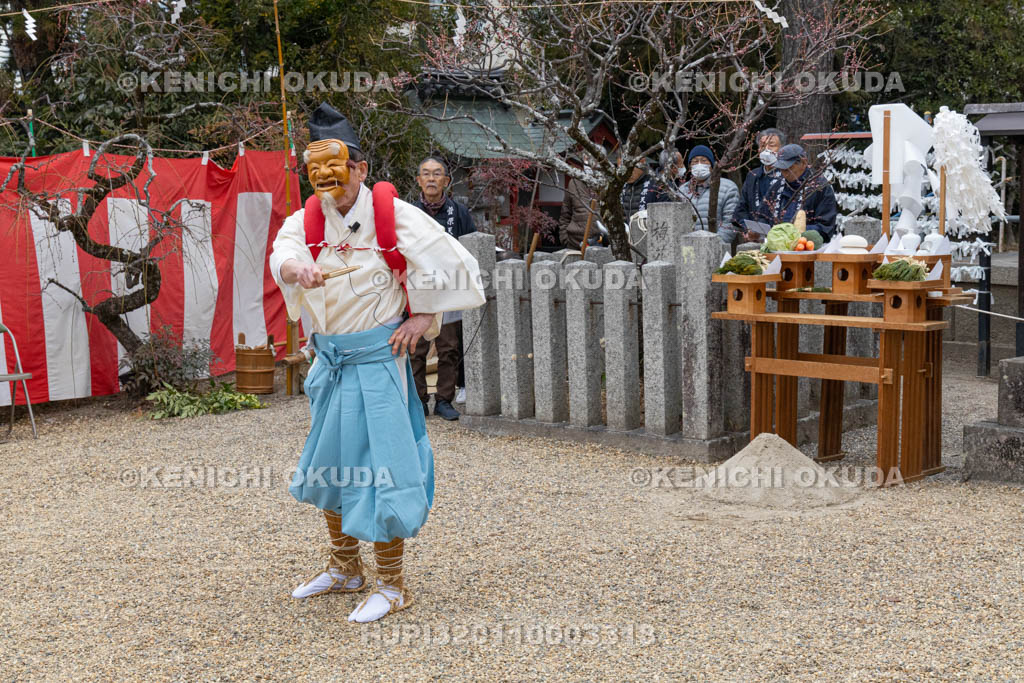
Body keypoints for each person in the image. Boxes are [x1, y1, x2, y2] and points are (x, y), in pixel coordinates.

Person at [270, 103, 485, 623]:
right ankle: (345, 568)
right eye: (317, 176)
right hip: (333, 363)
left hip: (378, 361)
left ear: (360, 168)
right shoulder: (310, 217)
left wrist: (424, 318)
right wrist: (296, 268)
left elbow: (449, 261)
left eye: (338, 174)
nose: (329, 185)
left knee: (384, 468)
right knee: (331, 466)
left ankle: (392, 584)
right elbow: (284, 248)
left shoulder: (393, 215)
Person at [410, 156, 476, 420]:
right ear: (418, 181)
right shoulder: (410, 212)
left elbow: (470, 247)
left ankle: (444, 400)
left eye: (437, 174)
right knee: (417, 347)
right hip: (418, 287)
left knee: (448, 346)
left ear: (446, 181)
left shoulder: (458, 212)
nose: (431, 179)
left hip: (449, 287)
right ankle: (418, 400)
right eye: (425, 174)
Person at [765, 144, 839, 238]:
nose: (784, 174)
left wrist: (794, 231)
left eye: (788, 169)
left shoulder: (820, 187)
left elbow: (825, 227)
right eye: (781, 169)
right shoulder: (777, 185)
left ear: (804, 163)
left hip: (807, 246)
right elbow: (763, 215)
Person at [677, 145, 740, 244]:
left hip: (716, 248)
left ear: (712, 165)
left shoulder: (728, 188)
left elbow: (730, 222)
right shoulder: (682, 191)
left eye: (704, 161)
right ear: (690, 166)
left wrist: (716, 244)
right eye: (695, 161)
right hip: (688, 248)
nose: (699, 164)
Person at [733, 128, 786, 243]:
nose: (766, 150)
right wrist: (748, 229)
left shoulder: (787, 175)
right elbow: (742, 208)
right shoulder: (753, 175)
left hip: (780, 239)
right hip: (754, 239)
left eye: (771, 145)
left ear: (781, 149)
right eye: (762, 146)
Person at [558, 159, 598, 250]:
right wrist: (564, 238)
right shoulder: (574, 182)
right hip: (575, 241)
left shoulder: (606, 184)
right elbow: (565, 214)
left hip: (600, 240)